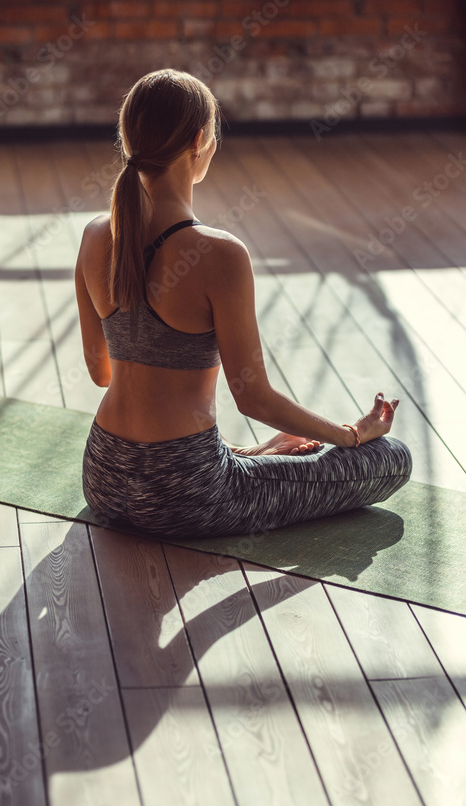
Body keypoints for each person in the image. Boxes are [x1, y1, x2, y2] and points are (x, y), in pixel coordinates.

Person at [75, 68, 412, 539]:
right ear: (200, 141)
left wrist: (255, 454)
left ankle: (256, 458)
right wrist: (350, 435)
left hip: (103, 476)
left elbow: (102, 374)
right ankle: (264, 459)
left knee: (267, 453)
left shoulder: (94, 236)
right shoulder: (219, 254)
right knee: (392, 459)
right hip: (188, 494)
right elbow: (252, 397)